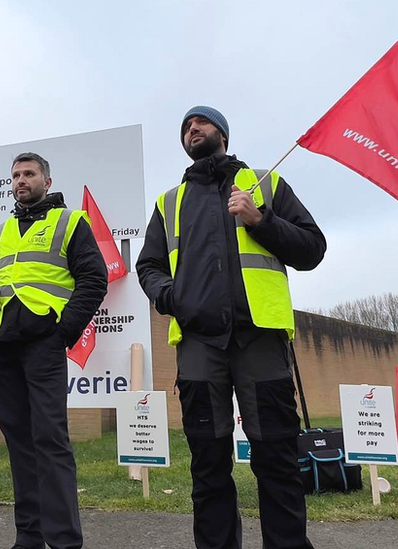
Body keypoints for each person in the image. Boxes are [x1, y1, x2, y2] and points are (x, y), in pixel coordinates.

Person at [136, 106, 326, 549]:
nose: (192, 129)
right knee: (208, 463)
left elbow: (313, 249)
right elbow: (148, 267)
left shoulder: (266, 183)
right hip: (200, 344)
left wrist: (262, 221)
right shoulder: (170, 202)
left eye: (200, 122)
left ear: (221, 132)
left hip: (260, 338)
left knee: (277, 458)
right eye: (185, 126)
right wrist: (173, 297)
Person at [0, 152, 108, 549]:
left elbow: (94, 280)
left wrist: (62, 332)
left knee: (50, 441)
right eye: (15, 175)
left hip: (43, 343)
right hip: (1, 343)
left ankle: (65, 541)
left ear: (46, 181)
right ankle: (28, 538)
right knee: (18, 440)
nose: (21, 180)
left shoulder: (70, 221)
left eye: (29, 174)